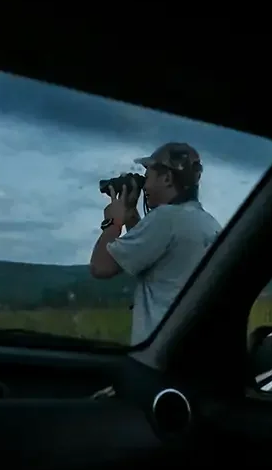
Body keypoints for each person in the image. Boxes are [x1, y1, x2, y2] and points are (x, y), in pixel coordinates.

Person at [89, 142, 222, 344]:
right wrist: (131, 213)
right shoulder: (205, 221)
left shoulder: (166, 218)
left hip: (159, 350)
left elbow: (101, 267)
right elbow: (147, 252)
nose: (145, 185)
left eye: (148, 176)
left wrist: (113, 222)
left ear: (167, 178)